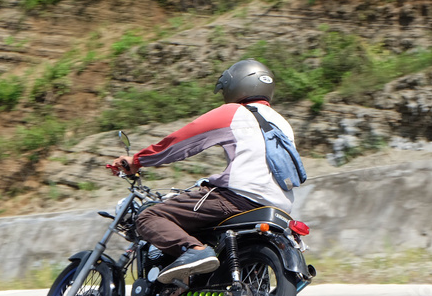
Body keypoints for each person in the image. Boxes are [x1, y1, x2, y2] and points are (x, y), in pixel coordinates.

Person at [109, 58, 302, 284]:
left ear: (237, 85)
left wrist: (138, 160)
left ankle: (194, 250)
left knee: (150, 215)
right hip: (280, 206)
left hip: (237, 197)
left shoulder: (233, 112)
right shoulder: (282, 123)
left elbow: (181, 142)